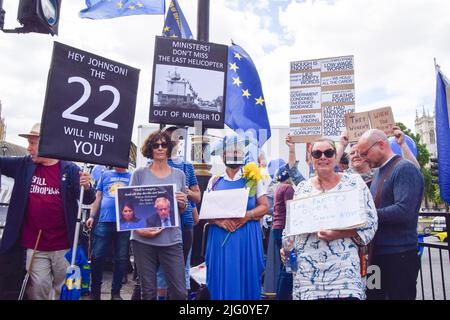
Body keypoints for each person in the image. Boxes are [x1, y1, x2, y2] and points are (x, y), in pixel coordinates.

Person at [0, 123, 95, 300]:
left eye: (33, 143)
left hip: (63, 246)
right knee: (37, 290)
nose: (28, 148)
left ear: (48, 144)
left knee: (62, 291)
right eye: (29, 143)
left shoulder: (70, 169)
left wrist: (87, 186)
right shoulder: (23, 165)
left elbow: (88, 198)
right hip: (34, 246)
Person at [282, 138, 378, 300]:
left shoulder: (353, 183)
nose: (323, 157)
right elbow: (291, 226)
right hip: (308, 277)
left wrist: (338, 234)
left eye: (328, 152)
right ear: (311, 158)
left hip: (343, 275)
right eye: (317, 153)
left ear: (335, 157)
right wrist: (286, 246)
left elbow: (370, 223)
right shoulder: (302, 189)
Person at [357, 129, 424, 300]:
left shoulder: (404, 168)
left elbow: (404, 211)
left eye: (365, 153)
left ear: (381, 144)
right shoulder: (378, 172)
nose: (363, 158)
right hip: (376, 254)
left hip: (399, 255)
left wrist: (365, 216)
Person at [204, 135, 269, 300]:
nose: (235, 154)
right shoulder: (214, 181)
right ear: (223, 156)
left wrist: (247, 216)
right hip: (220, 238)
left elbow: (265, 206)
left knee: (247, 276)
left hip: (246, 237)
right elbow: (206, 213)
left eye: (238, 151)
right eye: (231, 151)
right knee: (221, 276)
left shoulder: (253, 178)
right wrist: (220, 221)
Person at [130, 130, 188, 300]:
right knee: (148, 292)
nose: (160, 148)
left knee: (179, 292)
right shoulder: (139, 174)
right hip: (143, 240)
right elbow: (128, 206)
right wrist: (139, 230)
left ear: (169, 148)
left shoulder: (180, 175)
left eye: (164, 144)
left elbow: (181, 210)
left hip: (171, 239)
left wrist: (182, 203)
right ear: (150, 149)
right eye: (156, 145)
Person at [85, 167, 132, 300]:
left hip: (124, 223)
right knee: (97, 256)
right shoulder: (105, 175)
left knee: (121, 259)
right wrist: (92, 216)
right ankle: (95, 292)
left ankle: (116, 293)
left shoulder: (132, 176)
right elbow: (98, 197)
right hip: (104, 221)